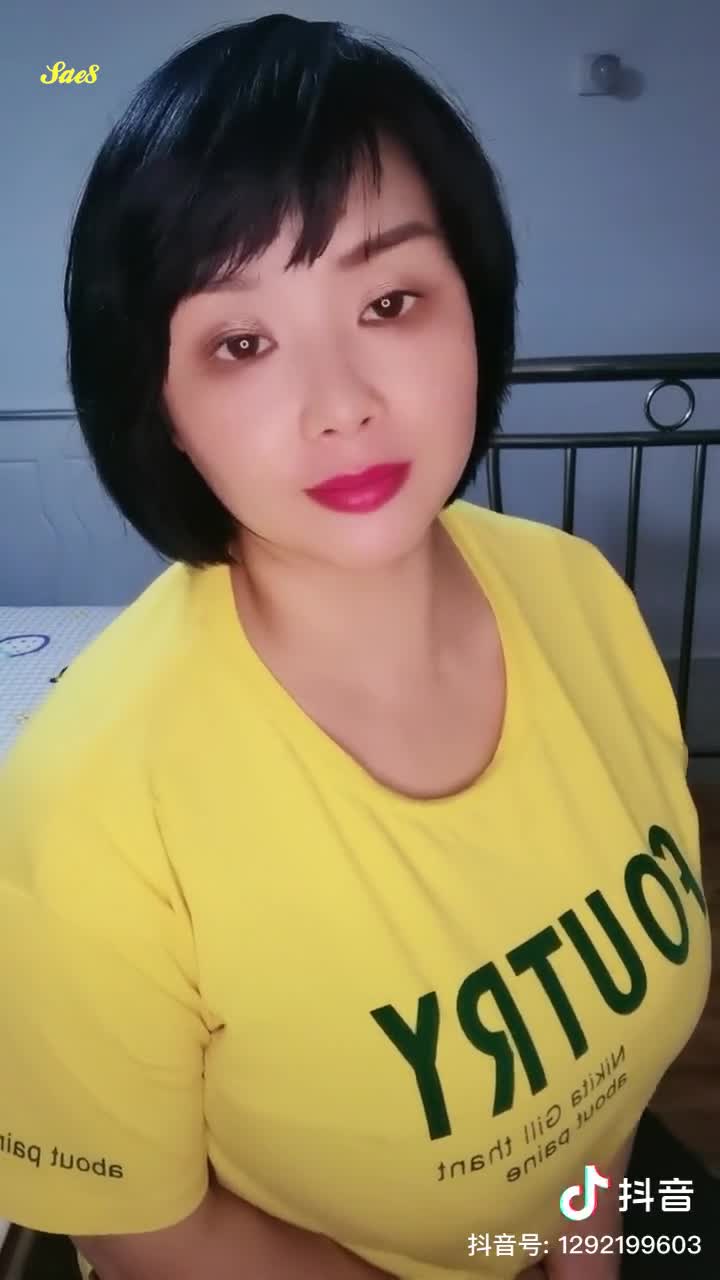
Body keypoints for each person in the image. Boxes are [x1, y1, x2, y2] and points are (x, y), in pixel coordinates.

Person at [0, 14, 712, 1280]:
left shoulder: (579, 592)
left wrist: (583, 1250)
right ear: (160, 406)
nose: (342, 405)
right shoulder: (89, 805)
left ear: (474, 306)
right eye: (241, 343)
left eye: (390, 301)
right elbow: (145, 1225)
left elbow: (599, 1082)